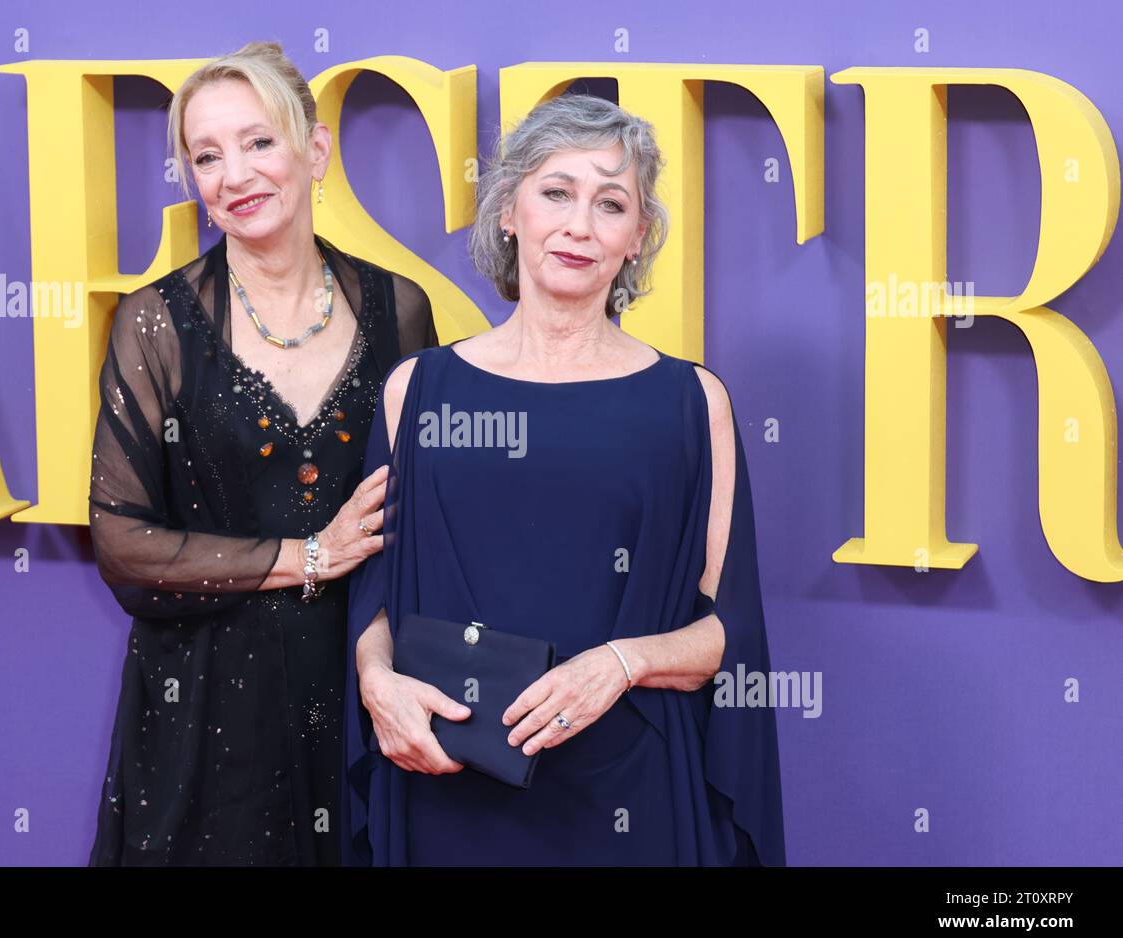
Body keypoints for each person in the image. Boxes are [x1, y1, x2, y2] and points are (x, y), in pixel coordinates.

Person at [343, 93, 785, 865]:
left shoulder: (691, 403)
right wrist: (378, 685)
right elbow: (371, 599)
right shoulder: (416, 390)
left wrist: (620, 663)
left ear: (637, 237)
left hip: (628, 792)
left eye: (610, 204)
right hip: (446, 783)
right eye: (556, 192)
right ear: (509, 209)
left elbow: (729, 633)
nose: (579, 225)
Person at [86, 40, 437, 866]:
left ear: (314, 151)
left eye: (257, 142)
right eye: (206, 155)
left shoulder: (403, 310)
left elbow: (425, 518)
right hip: (203, 706)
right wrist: (309, 554)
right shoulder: (154, 324)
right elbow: (122, 544)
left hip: (360, 690)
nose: (233, 175)